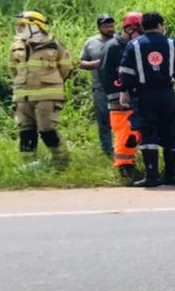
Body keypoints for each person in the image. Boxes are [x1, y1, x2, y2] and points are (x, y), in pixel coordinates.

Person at [117, 11, 175, 187]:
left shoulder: (134, 45)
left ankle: (152, 176)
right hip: (167, 95)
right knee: (170, 130)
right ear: (160, 26)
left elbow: (125, 73)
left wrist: (125, 91)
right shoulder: (170, 43)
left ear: (143, 27)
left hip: (145, 95)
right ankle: (171, 175)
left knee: (149, 132)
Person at [9, 10, 74, 163]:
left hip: (47, 95)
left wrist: (51, 83)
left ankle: (61, 162)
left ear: (35, 26)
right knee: (25, 131)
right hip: (23, 96)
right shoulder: (16, 46)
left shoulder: (55, 45)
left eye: (23, 25)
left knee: (47, 130)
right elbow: (12, 69)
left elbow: (65, 69)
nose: (19, 28)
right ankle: (29, 165)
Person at [101, 12, 144, 180]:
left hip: (132, 97)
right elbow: (107, 75)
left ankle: (130, 166)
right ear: (129, 29)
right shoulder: (113, 47)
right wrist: (119, 95)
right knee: (124, 134)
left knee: (133, 134)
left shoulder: (131, 45)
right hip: (118, 100)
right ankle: (125, 170)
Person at [80, 13, 116, 157]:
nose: (110, 29)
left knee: (124, 120)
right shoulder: (91, 42)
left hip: (119, 88)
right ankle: (107, 150)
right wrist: (96, 64)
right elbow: (81, 62)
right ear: (99, 28)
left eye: (112, 26)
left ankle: (125, 148)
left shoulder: (119, 40)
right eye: (106, 26)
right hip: (100, 88)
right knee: (103, 120)